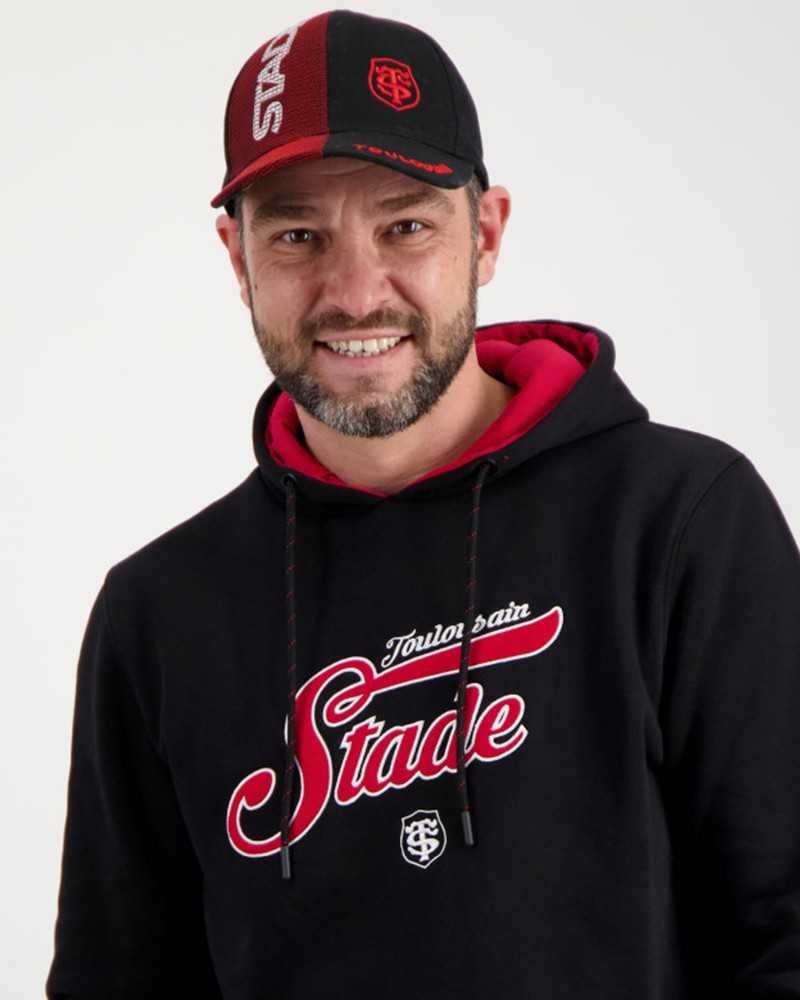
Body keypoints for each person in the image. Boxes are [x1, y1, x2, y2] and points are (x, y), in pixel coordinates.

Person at [46, 10, 800, 999]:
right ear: (237, 259)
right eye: (297, 234)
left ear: (483, 233)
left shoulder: (677, 523)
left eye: (405, 224)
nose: (355, 292)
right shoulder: (158, 613)